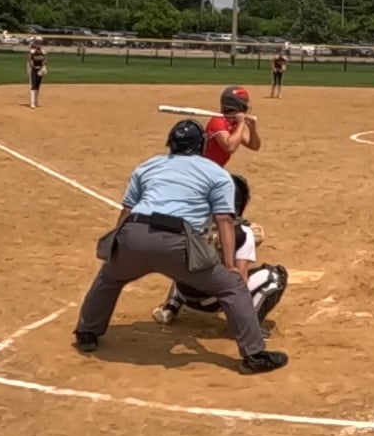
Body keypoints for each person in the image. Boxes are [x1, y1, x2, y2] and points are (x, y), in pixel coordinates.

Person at [72, 119, 287, 374]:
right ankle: (254, 355)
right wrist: (230, 265)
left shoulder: (148, 165)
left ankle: (87, 332)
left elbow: (127, 210)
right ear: (201, 146)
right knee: (232, 287)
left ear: (171, 143)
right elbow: (224, 220)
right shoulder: (216, 173)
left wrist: (117, 246)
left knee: (109, 278)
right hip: (177, 242)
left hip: (134, 233)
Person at [151, 173, 289, 330]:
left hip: (184, 291)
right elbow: (240, 283)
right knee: (275, 275)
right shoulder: (243, 233)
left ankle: (170, 306)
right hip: (211, 300)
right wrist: (245, 244)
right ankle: (247, 327)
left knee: (189, 255)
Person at [204, 85, 261, 167]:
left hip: (216, 168)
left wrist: (252, 129)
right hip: (205, 169)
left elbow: (254, 146)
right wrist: (241, 122)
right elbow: (230, 147)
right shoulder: (218, 121)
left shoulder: (234, 123)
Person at [26, 40, 47, 109]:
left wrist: (44, 66)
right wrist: (29, 67)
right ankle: (32, 103)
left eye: (40, 44)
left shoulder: (43, 52)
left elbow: (45, 60)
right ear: (35, 45)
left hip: (40, 70)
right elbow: (29, 60)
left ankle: (36, 101)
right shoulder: (32, 52)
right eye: (37, 44)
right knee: (33, 85)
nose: (39, 45)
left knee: (38, 86)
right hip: (33, 70)